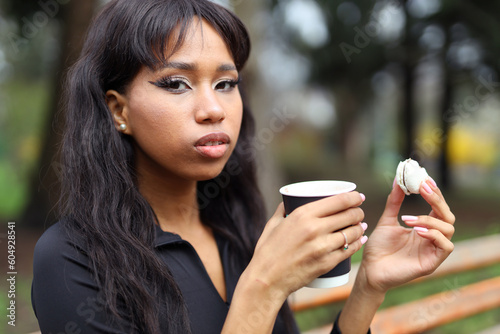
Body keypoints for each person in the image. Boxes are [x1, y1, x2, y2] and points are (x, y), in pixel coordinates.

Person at [31, 0, 455, 333]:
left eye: (225, 83)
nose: (214, 109)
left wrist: (368, 288)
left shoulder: (240, 228)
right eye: (177, 83)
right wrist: (264, 286)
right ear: (118, 109)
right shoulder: (74, 258)